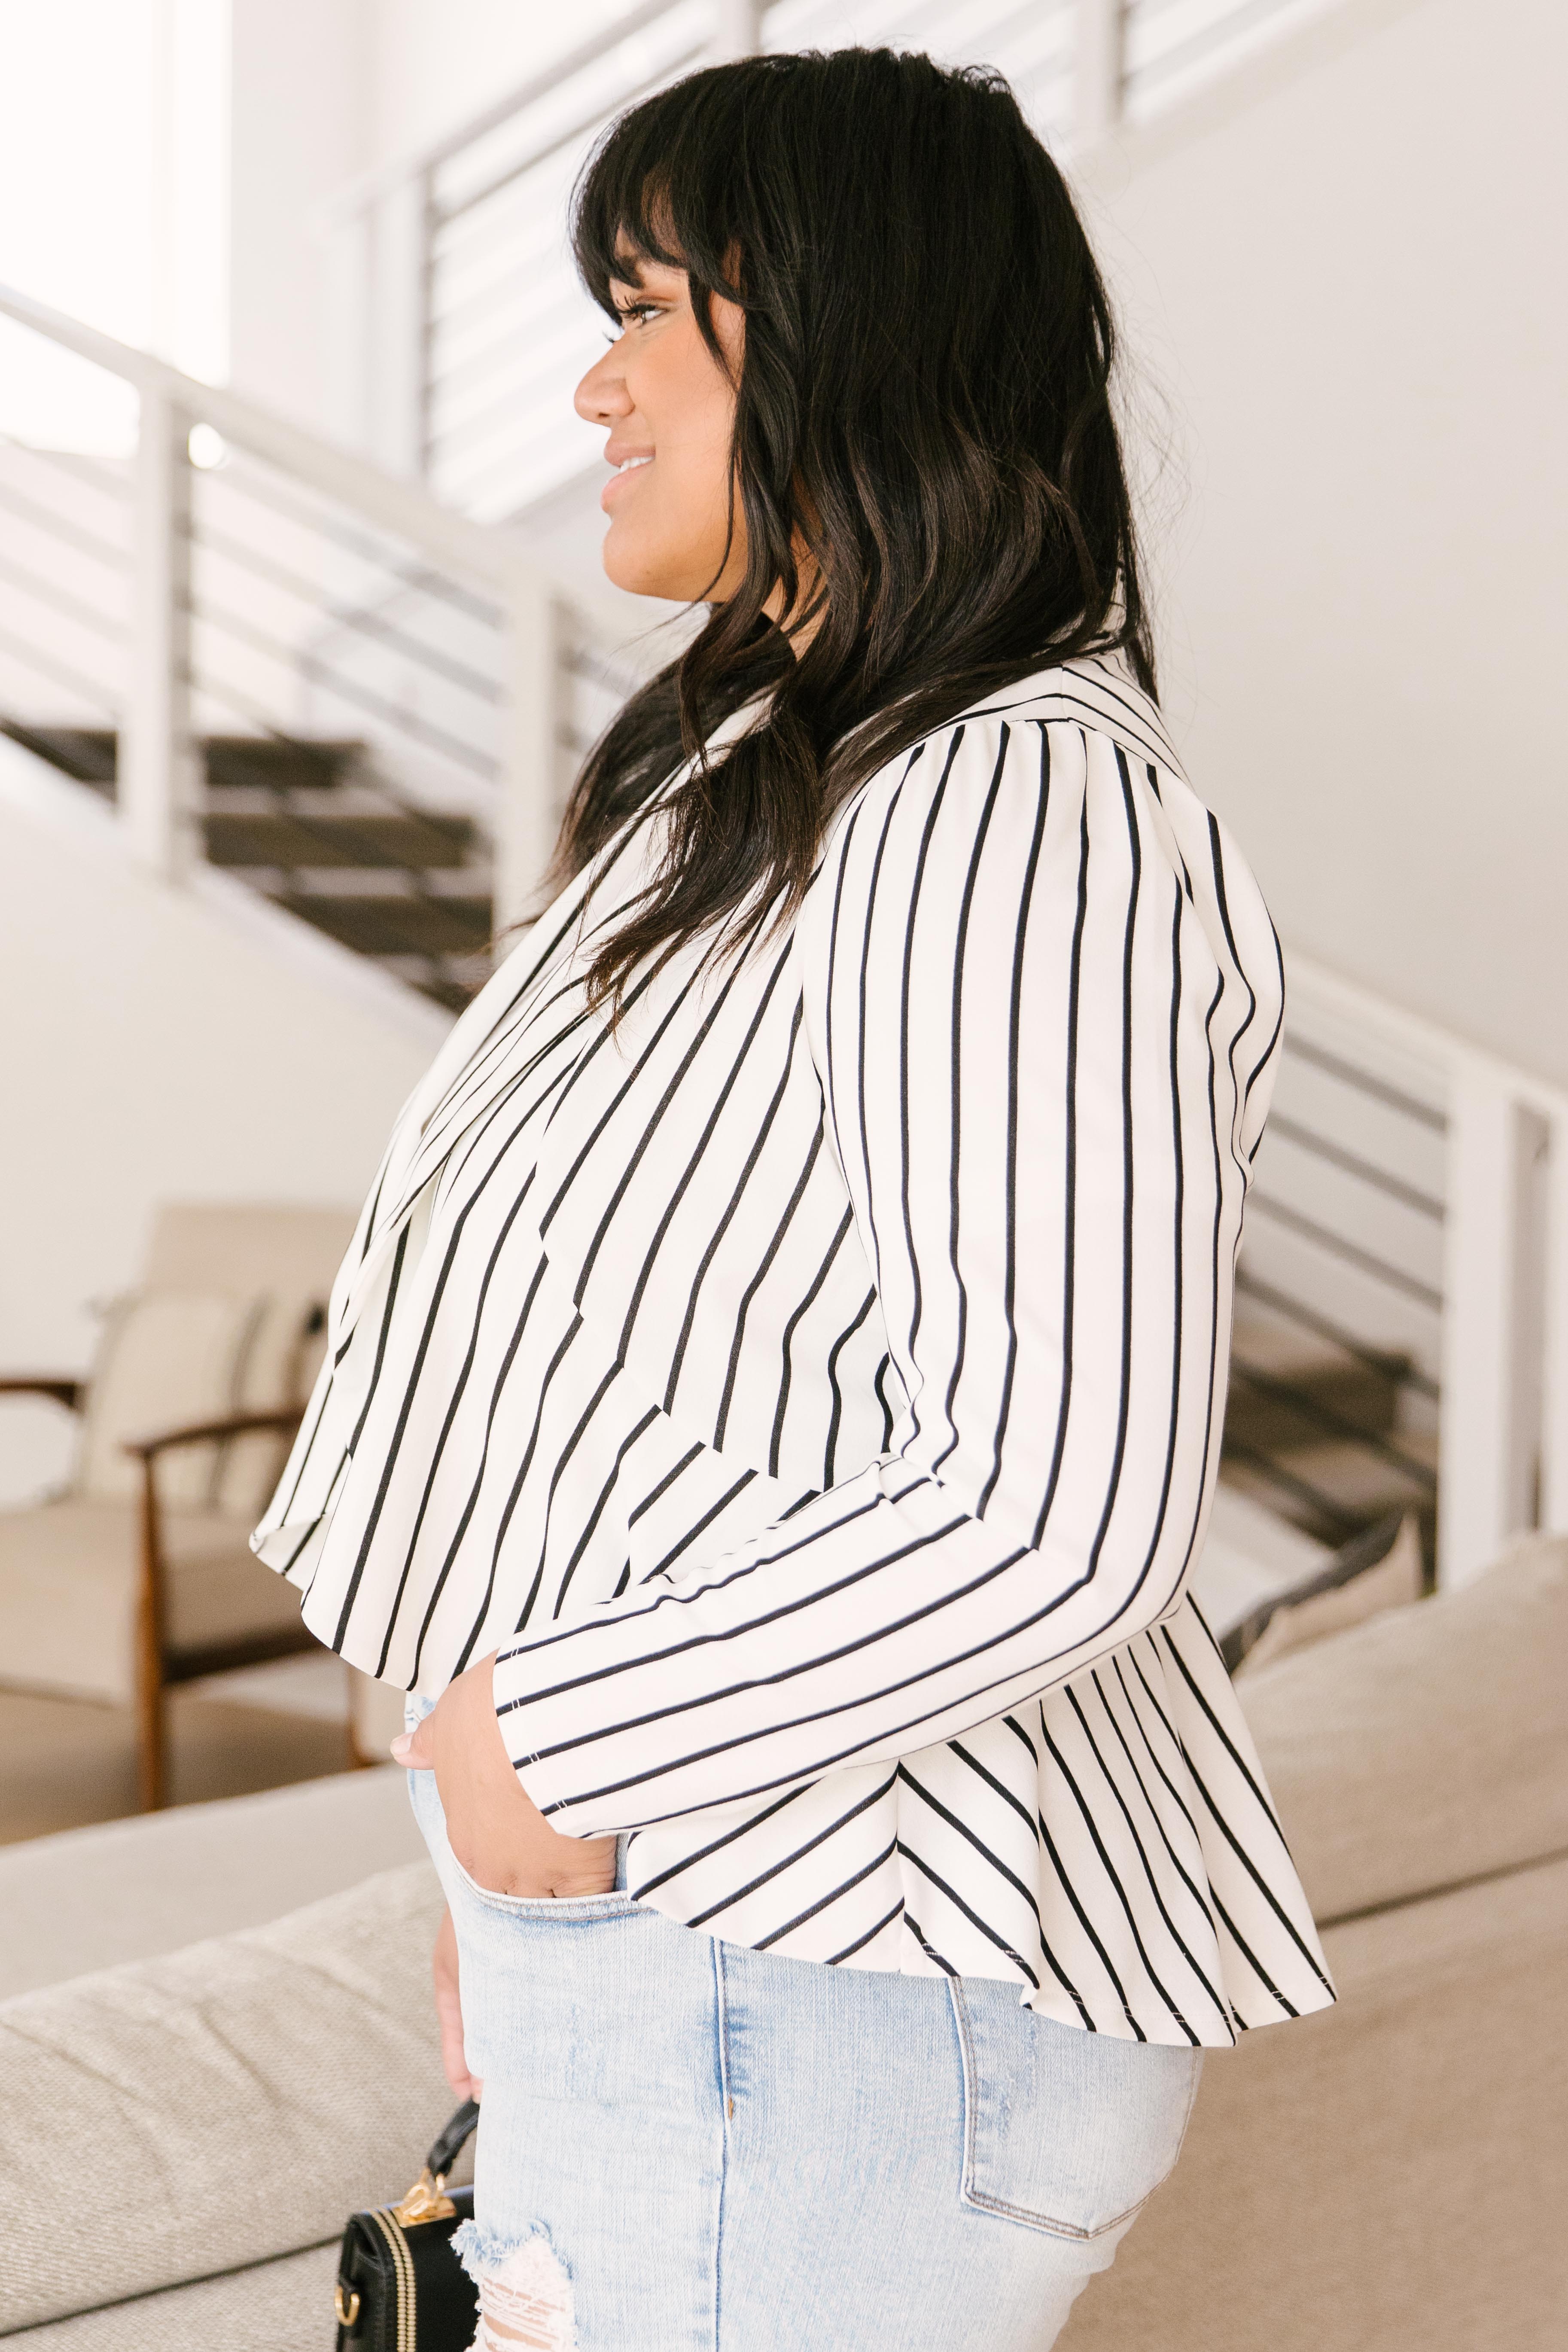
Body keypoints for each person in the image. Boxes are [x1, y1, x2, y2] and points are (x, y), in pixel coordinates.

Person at [254, 44, 1334, 2352]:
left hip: (808, 1987)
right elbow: (629, 1399)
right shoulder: (774, 783)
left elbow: (1057, 1504)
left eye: (655, 310)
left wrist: (555, 1745)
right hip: (709, 1945)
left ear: (859, 328)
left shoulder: (1009, 812)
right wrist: (502, 1848)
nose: (594, 385)